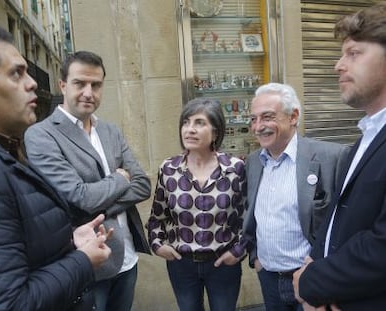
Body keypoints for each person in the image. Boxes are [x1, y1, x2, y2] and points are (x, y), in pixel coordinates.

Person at [0, 22, 112, 311]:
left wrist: (68, 242)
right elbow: (7, 303)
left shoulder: (4, 150)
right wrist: (82, 260)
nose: (33, 82)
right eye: (16, 73)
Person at [24, 51, 151, 311]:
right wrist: (119, 177)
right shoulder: (41, 136)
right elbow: (81, 196)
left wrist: (101, 203)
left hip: (127, 257)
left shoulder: (110, 130)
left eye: (96, 85)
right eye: (80, 83)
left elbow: (142, 184)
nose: (88, 92)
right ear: (63, 85)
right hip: (89, 265)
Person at [292, 3, 386, 310]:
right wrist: (314, 260)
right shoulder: (363, 140)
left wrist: (311, 282)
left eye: (354, 53)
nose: (338, 65)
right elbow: (339, 216)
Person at [241, 83, 349, 311]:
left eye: (267, 117)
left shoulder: (332, 157)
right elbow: (249, 211)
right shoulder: (252, 162)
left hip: (313, 280)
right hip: (269, 278)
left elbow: (346, 222)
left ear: (293, 116)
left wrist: (329, 276)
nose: (258, 127)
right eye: (253, 119)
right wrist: (256, 258)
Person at [147, 98, 247, 311]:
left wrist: (239, 251)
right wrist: (158, 245)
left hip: (223, 263)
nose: (189, 129)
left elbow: (247, 217)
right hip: (182, 264)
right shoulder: (169, 169)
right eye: (186, 122)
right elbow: (157, 217)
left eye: (199, 123)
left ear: (216, 131)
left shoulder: (235, 169)